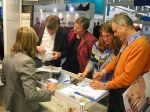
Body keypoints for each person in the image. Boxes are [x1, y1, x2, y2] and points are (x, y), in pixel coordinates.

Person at [90, 12, 150, 112]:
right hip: (118, 88)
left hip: (126, 92)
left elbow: (128, 78)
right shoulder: (127, 42)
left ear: (124, 26)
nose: (115, 34)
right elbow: (117, 59)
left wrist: (105, 85)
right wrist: (103, 71)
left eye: (116, 31)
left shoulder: (140, 45)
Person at [2, 27, 56, 112]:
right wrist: (49, 91)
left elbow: (4, 79)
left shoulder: (8, 56)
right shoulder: (27, 61)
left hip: (12, 102)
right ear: (31, 42)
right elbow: (31, 95)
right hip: (24, 107)